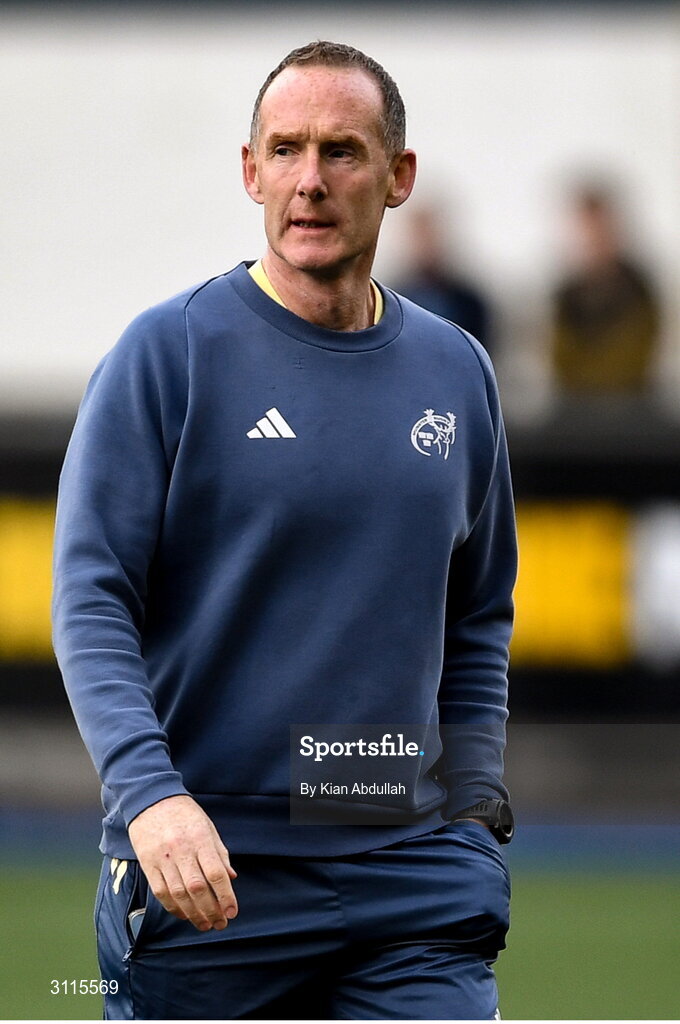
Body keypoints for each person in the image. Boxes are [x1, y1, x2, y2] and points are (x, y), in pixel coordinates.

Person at [52, 41, 517, 1020]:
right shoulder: (167, 353)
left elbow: (477, 610)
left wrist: (472, 806)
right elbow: (90, 601)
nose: (310, 180)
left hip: (410, 867)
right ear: (250, 171)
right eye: (286, 149)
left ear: (398, 176)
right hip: (208, 873)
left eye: (341, 151)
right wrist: (151, 799)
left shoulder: (457, 370)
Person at [550, 184, 661, 395]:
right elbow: (560, 359)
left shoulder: (638, 290)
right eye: (587, 231)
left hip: (631, 404)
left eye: (599, 230)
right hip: (576, 404)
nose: (593, 239)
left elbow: (633, 360)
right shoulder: (567, 296)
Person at [394, 203, 494, 355]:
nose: (425, 244)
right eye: (419, 235)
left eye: (430, 234)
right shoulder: (393, 301)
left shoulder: (468, 303)